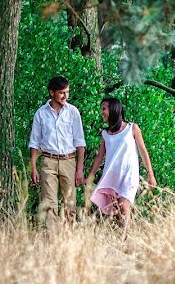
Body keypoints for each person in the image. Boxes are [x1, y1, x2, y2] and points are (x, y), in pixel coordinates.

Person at [85, 97, 156, 231]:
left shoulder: (132, 128)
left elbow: (143, 151)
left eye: (104, 109)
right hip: (112, 175)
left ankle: (126, 239)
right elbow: (100, 156)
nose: (102, 112)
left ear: (113, 109)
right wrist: (91, 176)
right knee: (116, 210)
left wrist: (150, 174)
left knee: (124, 206)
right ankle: (121, 240)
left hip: (129, 174)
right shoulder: (106, 134)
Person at [28, 75, 86, 231]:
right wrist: (33, 167)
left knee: (69, 202)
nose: (65, 96)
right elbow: (34, 142)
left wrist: (79, 169)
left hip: (69, 160)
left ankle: (68, 238)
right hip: (48, 161)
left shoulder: (73, 112)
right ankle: (53, 240)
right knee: (49, 203)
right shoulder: (41, 114)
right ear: (51, 92)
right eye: (61, 92)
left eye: (67, 92)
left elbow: (80, 141)